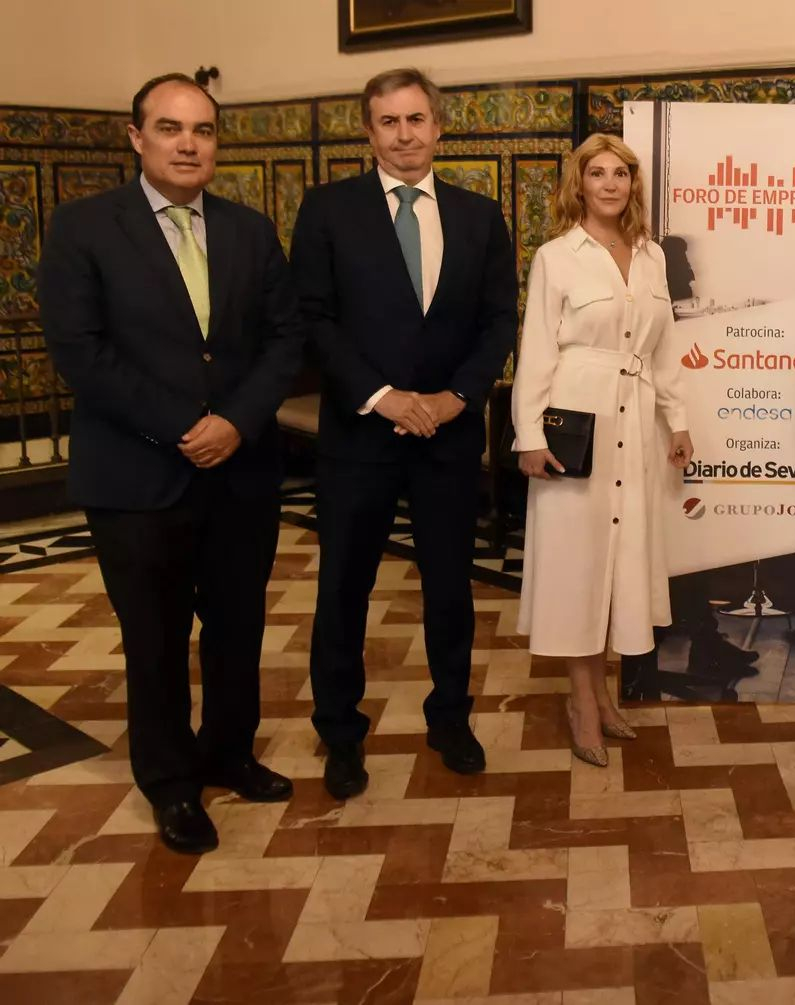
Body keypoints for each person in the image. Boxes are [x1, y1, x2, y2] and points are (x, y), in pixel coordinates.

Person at [40, 73, 304, 854]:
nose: (189, 143)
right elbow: (80, 353)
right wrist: (188, 425)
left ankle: (228, 753)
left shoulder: (251, 231)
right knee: (153, 638)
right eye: (170, 128)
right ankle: (170, 782)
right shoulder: (84, 227)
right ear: (137, 138)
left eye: (204, 130)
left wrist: (238, 422)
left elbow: (285, 338)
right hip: (135, 477)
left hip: (241, 473)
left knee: (237, 625)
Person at [292, 68, 518, 797]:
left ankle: (450, 715)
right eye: (388, 122)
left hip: (447, 439)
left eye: (416, 119)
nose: (404, 134)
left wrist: (458, 397)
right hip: (360, 436)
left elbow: (496, 322)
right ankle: (340, 730)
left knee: (450, 587)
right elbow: (313, 319)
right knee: (344, 590)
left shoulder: (480, 216)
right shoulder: (327, 211)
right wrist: (383, 396)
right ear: (369, 131)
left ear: (439, 127)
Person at [513, 134, 693, 767]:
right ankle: (582, 701)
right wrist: (529, 435)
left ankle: (606, 694)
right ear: (580, 183)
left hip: (637, 421)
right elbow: (536, 349)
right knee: (578, 566)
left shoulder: (650, 257)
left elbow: (663, 349)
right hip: (575, 422)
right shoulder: (556, 258)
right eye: (598, 173)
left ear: (632, 184)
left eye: (622, 173)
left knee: (621, 563)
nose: (611, 184)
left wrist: (678, 420)